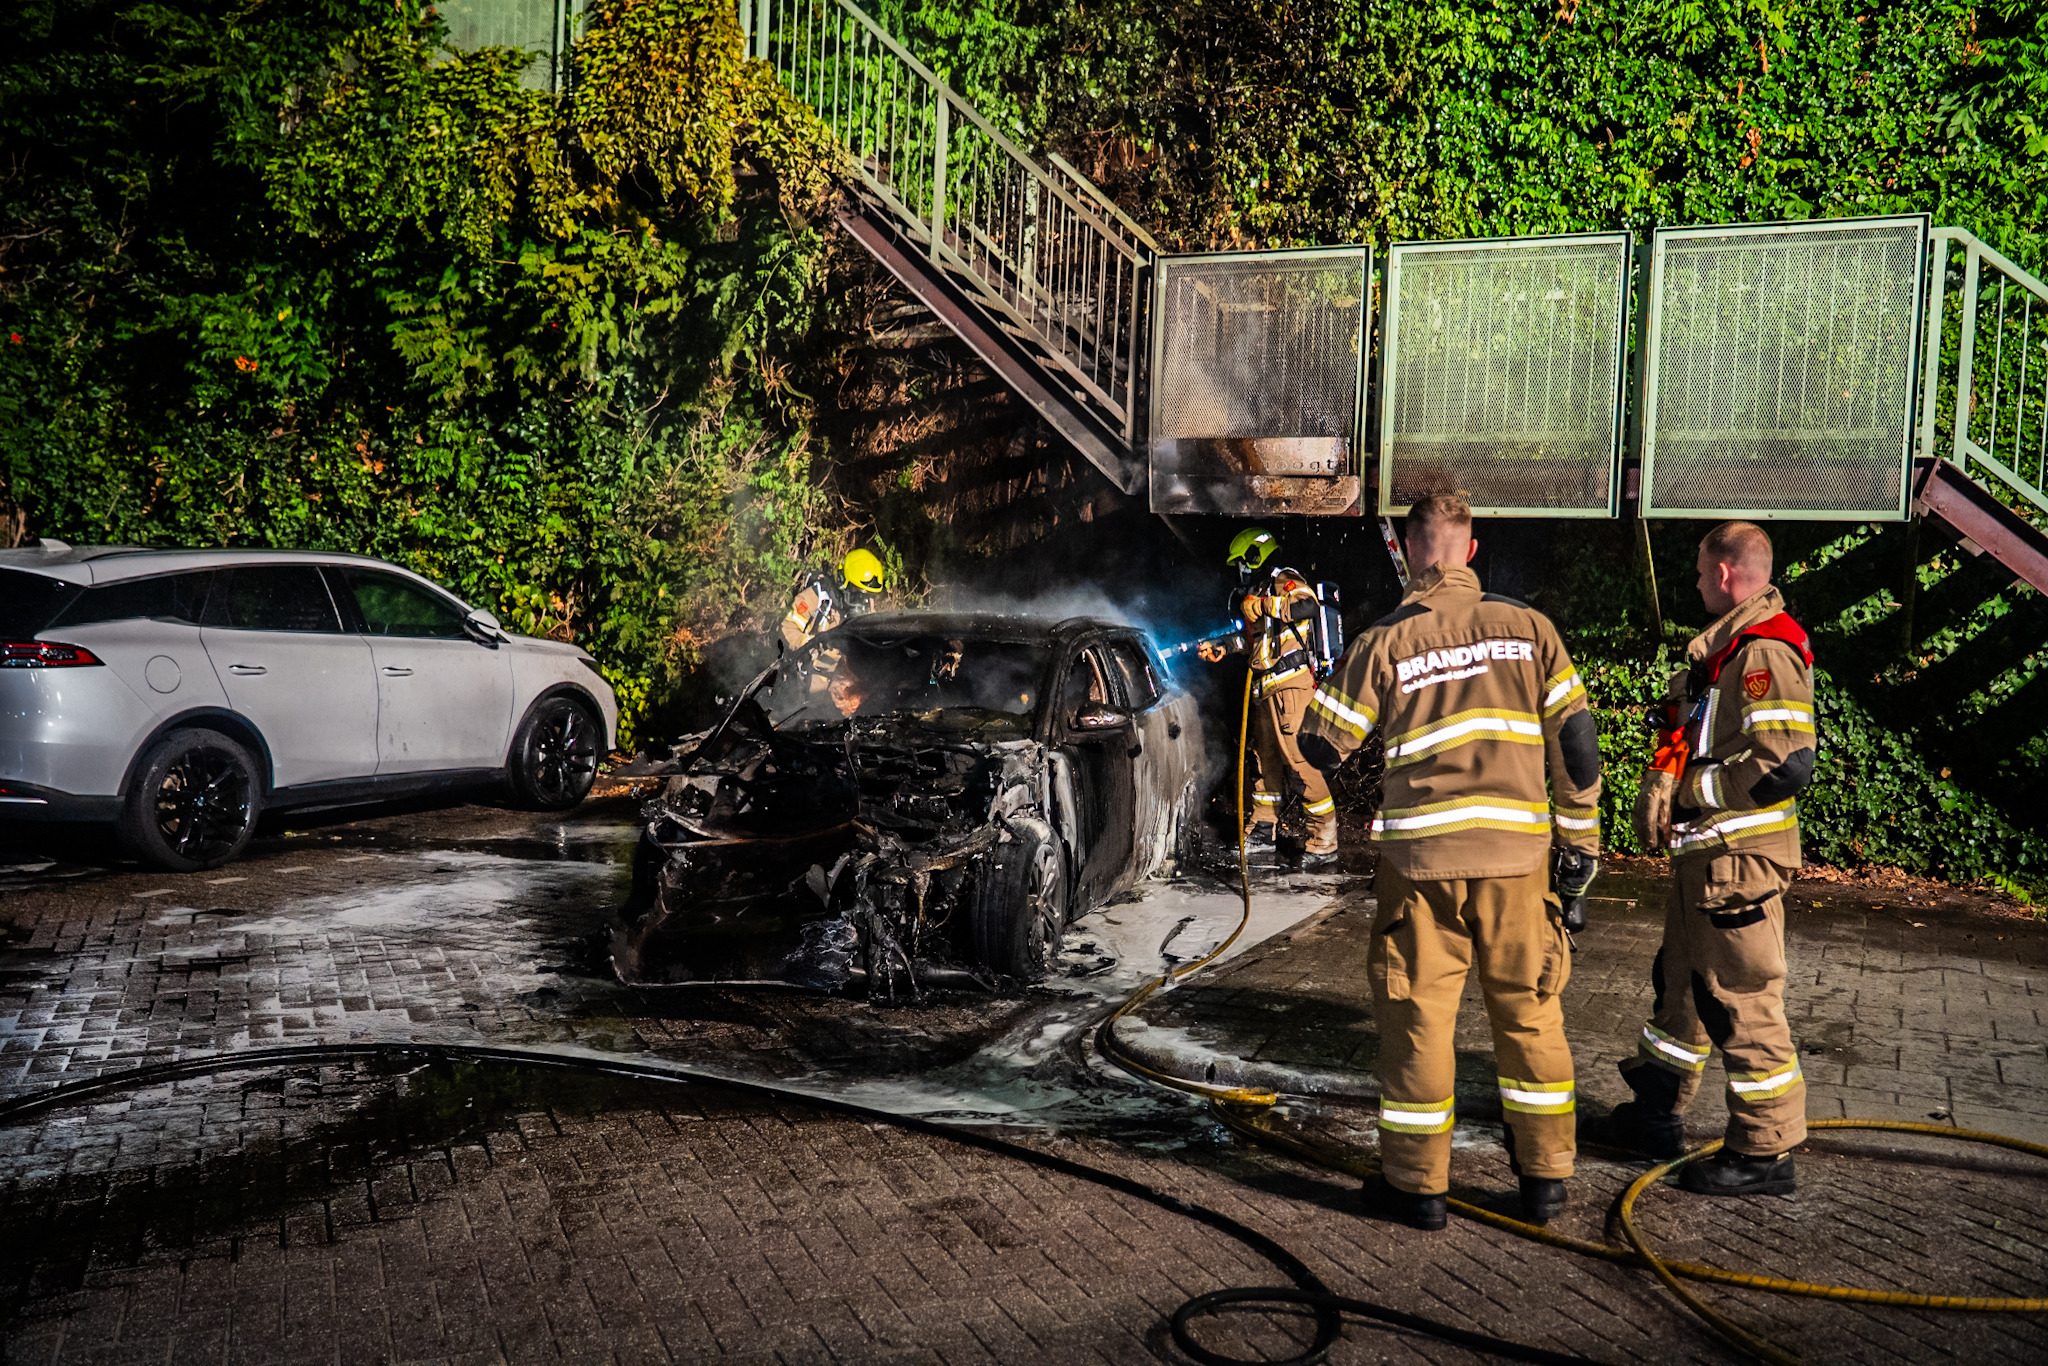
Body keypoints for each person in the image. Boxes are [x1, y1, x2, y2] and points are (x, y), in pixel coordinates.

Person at [1296, 493, 1603, 1230]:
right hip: (1518, 864)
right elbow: (1577, 746)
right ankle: (1545, 1180)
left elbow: (1320, 744)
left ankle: (1417, 1188)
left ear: (1410, 552)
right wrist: (1579, 849)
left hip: (1422, 867)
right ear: (1469, 551)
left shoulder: (1387, 639)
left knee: (1419, 1021)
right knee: (1530, 1014)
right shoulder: (1531, 629)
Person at [1610, 520, 1816, 1196]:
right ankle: (1656, 1112)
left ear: (1725, 574)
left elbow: (1784, 764)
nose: (1697, 583)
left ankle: (1765, 1150)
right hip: (1709, 859)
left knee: (1739, 999)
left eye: (1702, 572)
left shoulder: (1764, 654)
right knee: (1682, 987)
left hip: (1738, 862)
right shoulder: (1727, 656)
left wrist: (1689, 790)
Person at [1197, 527, 1339, 865]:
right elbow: (1257, 643)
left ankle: (1324, 839)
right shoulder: (1261, 591)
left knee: (1299, 761)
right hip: (1266, 692)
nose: (1241, 571)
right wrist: (1224, 647)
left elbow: (1306, 605)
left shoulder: (1285, 579)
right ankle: (1263, 829)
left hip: (1291, 689)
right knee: (1265, 764)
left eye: (1242, 563)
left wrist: (1261, 605)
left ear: (1254, 555)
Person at [780, 548, 891, 652]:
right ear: (842, 580)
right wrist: (816, 646)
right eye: (857, 589)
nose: (861, 598)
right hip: (812, 663)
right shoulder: (815, 597)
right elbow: (788, 630)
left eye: (866, 594)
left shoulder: (868, 607)